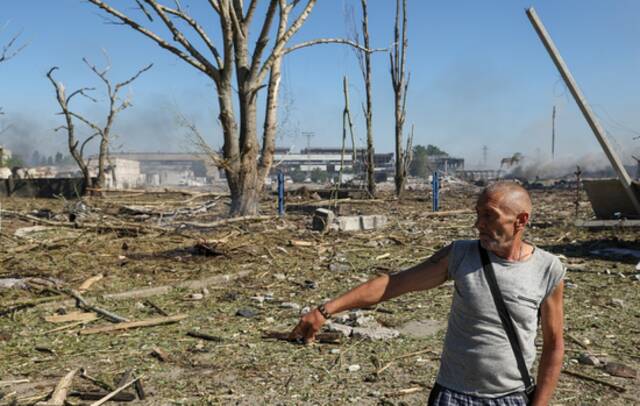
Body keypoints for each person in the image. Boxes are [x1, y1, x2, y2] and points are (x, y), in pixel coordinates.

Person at [290, 182, 565, 405]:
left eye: (489, 215)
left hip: (511, 398)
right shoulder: (460, 256)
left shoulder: (547, 269)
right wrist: (324, 311)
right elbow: (394, 284)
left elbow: (553, 345)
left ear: (521, 221)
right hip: (454, 396)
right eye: (477, 213)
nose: (478, 224)